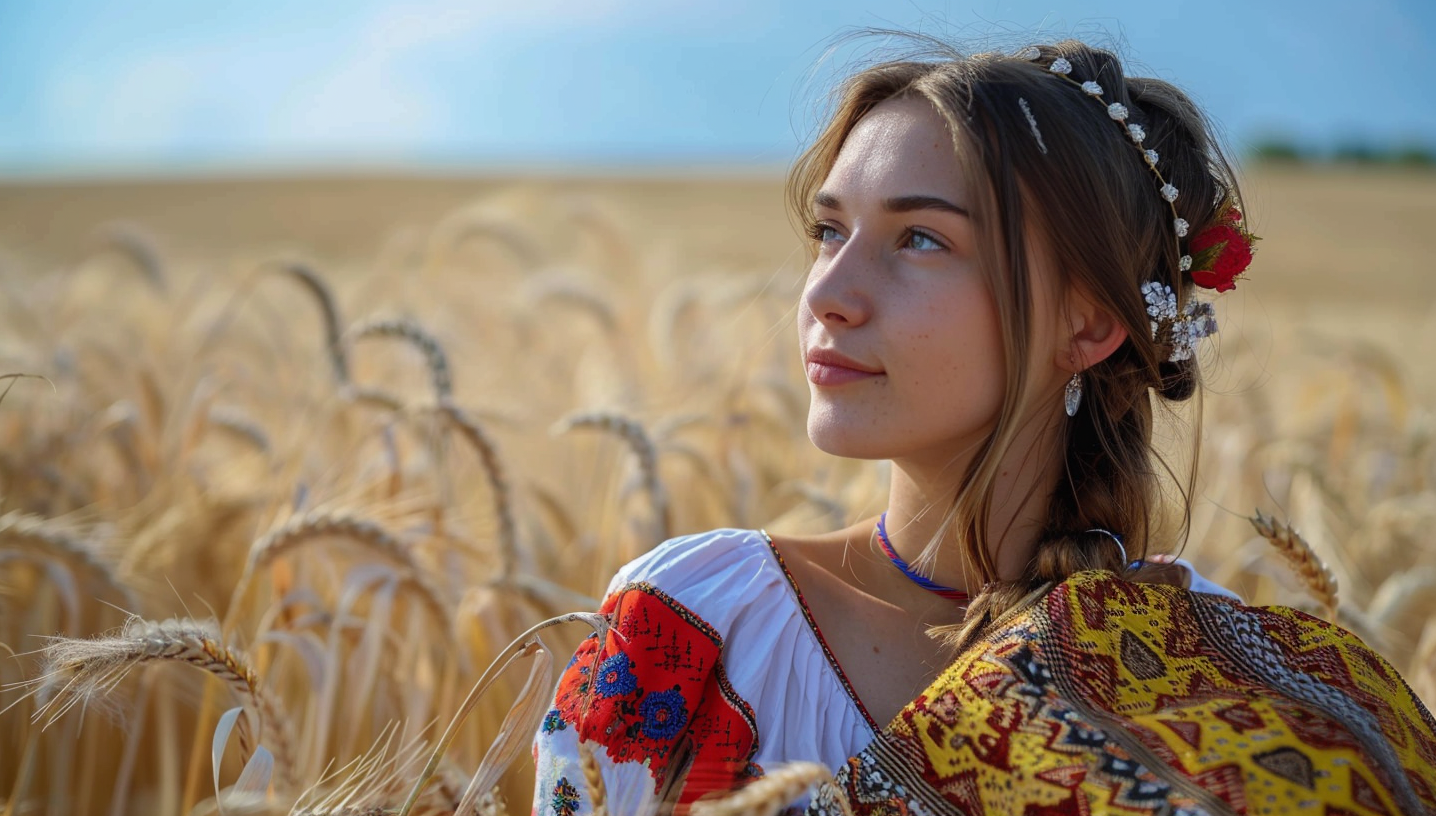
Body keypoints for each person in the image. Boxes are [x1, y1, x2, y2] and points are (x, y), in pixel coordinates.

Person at [531, 37, 1436, 815]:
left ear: (1087, 322)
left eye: (921, 239)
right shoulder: (695, 626)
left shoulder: (1236, 679)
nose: (828, 296)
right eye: (828, 231)